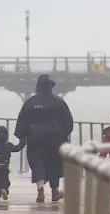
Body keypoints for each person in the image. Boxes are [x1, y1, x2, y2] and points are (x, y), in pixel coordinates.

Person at [14, 74, 74, 203]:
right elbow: (68, 122)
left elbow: (22, 120)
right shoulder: (59, 102)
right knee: (55, 162)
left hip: (35, 138)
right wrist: (64, 134)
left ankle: (40, 190)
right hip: (56, 138)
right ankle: (54, 191)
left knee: (37, 163)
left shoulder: (30, 103)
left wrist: (22, 136)